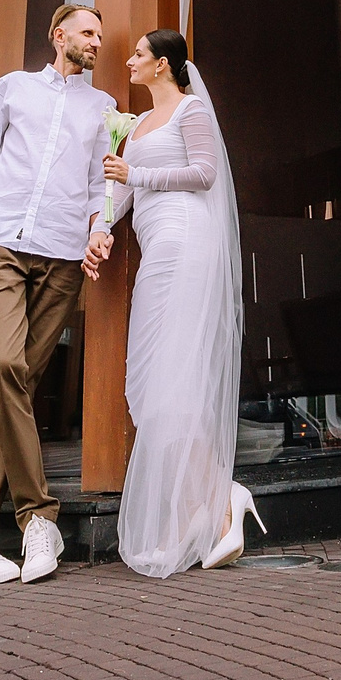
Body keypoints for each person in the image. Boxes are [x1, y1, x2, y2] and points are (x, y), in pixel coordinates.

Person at [0, 3, 118, 586]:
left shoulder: (104, 109)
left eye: (102, 34)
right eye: (89, 32)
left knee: (18, 381)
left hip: (64, 257)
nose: (98, 41)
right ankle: (38, 517)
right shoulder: (14, 88)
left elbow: (101, 185)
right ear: (59, 35)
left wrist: (100, 231)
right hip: (0, 243)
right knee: (3, 363)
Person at [97, 28, 264, 576]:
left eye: (139, 55)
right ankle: (219, 496)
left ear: (162, 64)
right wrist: (98, 231)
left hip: (186, 241)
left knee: (173, 381)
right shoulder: (139, 123)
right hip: (154, 247)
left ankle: (215, 509)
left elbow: (205, 174)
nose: (129, 60)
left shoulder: (190, 111)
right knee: (145, 389)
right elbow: (122, 192)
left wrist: (137, 172)